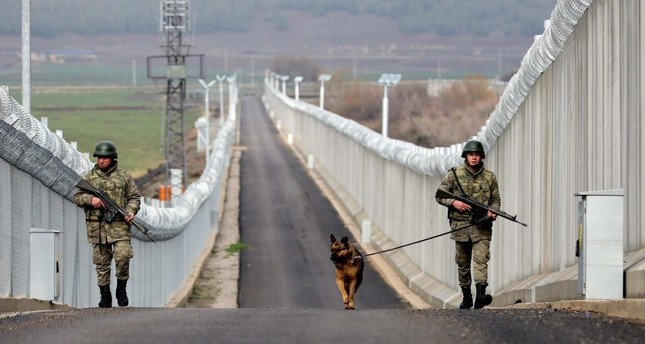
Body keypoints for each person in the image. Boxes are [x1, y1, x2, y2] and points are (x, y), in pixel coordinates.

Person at [73, 141, 141, 308]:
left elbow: (134, 197)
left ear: (112, 158)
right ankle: (105, 296)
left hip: (119, 226)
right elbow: (77, 196)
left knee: (123, 257)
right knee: (102, 264)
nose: (101, 161)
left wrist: (131, 211)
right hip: (98, 228)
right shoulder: (89, 177)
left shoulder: (124, 177)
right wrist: (91, 200)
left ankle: (121, 289)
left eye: (105, 158)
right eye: (99, 158)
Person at [435, 140, 501, 309]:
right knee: (463, 263)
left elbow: (495, 199)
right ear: (466, 156)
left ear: (481, 157)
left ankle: (480, 295)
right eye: (471, 155)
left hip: (481, 226)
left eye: (476, 155)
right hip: (461, 227)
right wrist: (454, 203)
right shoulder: (454, 175)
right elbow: (439, 195)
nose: (474, 158)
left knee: (481, 260)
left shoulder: (489, 177)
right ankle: (466, 297)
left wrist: (493, 211)